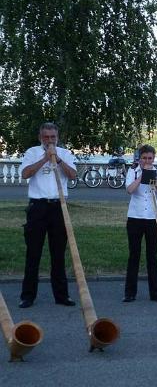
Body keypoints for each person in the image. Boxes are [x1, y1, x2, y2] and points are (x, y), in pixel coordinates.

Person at [19, 122, 77, 308]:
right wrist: (45, 158)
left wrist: (57, 160)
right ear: (40, 137)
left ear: (57, 137)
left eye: (53, 137)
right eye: (46, 137)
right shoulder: (32, 152)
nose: (49, 140)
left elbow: (73, 175)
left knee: (58, 254)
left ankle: (62, 296)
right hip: (38, 207)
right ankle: (28, 296)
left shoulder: (65, 153)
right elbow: (25, 174)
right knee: (33, 253)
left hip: (59, 207)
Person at [123, 145, 157, 303]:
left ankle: (156, 293)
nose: (147, 161)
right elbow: (129, 190)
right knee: (134, 255)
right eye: (144, 158)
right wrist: (143, 176)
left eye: (150, 158)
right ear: (139, 158)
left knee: (152, 256)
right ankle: (130, 293)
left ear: (153, 158)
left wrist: (155, 182)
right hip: (135, 217)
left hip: (153, 218)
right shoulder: (133, 171)